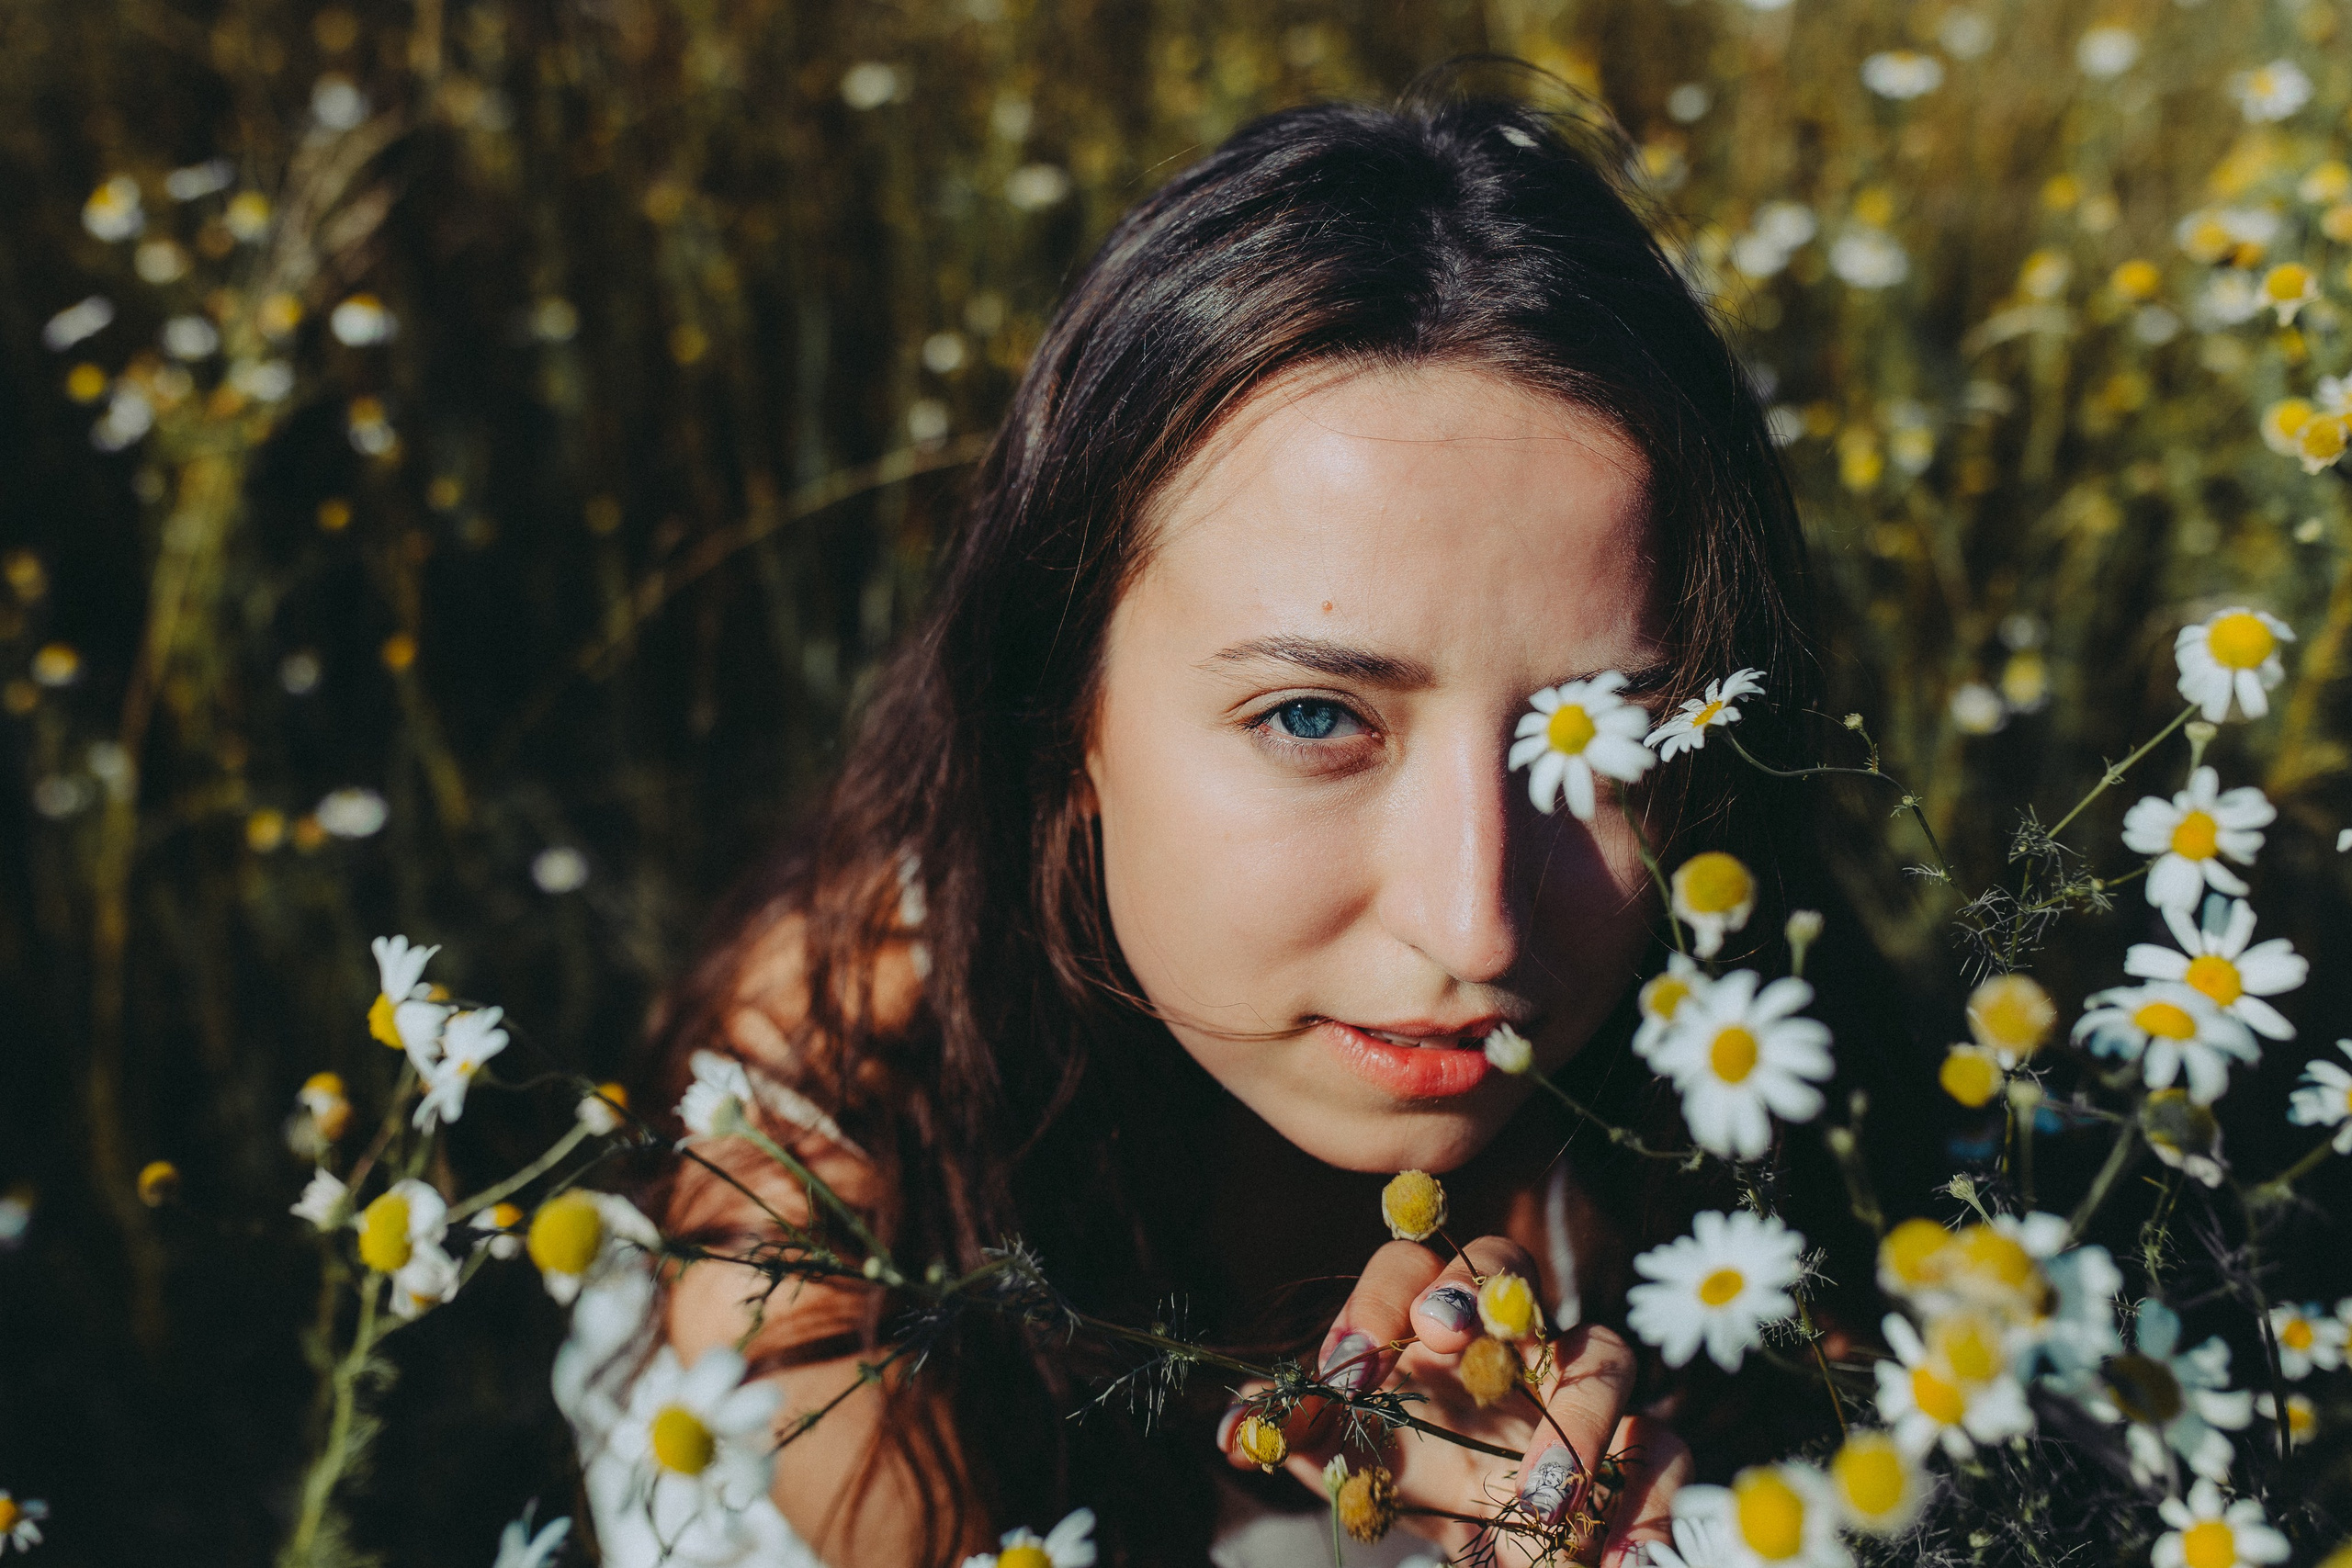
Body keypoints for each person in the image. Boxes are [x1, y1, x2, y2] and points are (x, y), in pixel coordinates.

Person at [592, 65, 1893, 1568]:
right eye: (1316, 719)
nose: (1475, 921)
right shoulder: (844, 1166)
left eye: (1596, 742)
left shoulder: (1767, 1077)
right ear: (1057, 708)